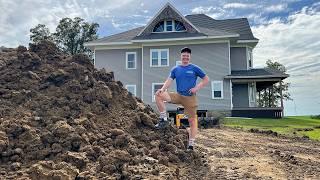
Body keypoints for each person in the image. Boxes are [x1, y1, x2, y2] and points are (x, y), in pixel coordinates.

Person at [154, 47, 209, 150]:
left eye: (187, 56)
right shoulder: (176, 69)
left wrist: (196, 88)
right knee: (158, 95)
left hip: (190, 98)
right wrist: (162, 89)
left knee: (192, 121)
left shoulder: (194, 68)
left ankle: (191, 144)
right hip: (179, 96)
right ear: (181, 56)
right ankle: (164, 119)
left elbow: (206, 79)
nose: (185, 57)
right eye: (184, 55)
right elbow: (169, 80)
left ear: (189, 57)